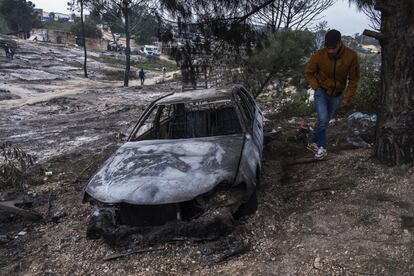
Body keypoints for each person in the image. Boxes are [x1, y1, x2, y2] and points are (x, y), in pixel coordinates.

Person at [304, 29, 360, 160]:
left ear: (340, 43)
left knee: (324, 121)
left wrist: (347, 97)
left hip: (337, 94)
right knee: (323, 119)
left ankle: (312, 143)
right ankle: (322, 148)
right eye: (328, 48)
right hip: (321, 91)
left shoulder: (351, 56)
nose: (330, 51)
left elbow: (354, 79)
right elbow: (308, 72)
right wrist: (316, 87)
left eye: (333, 48)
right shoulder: (319, 55)